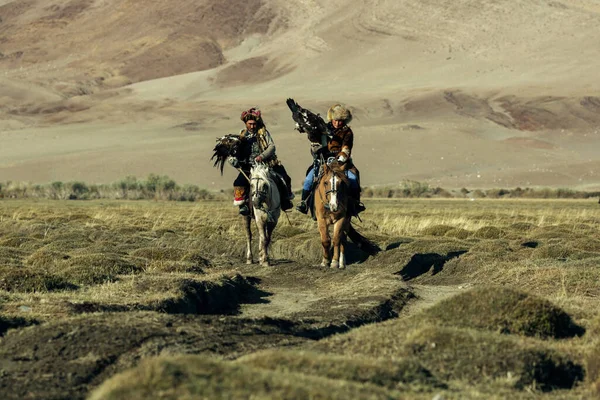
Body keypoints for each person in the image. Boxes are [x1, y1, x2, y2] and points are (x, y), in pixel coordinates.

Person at [296, 103, 365, 215]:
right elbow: (314, 138)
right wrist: (304, 129)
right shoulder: (323, 127)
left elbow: (346, 147)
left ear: (345, 120)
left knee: (353, 178)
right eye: (335, 120)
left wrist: (341, 158)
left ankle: (356, 204)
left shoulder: (347, 132)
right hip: (322, 161)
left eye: (340, 121)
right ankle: (304, 203)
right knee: (308, 180)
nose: (337, 123)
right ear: (331, 119)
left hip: (341, 162)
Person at [229, 107, 294, 216]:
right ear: (245, 123)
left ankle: (285, 200)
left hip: (266, 164)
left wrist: (262, 156)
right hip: (248, 166)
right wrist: (234, 160)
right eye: (250, 124)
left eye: (254, 124)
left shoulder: (263, 133)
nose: (252, 126)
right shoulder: (241, 135)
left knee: (284, 177)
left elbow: (271, 146)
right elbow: (236, 151)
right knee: (238, 182)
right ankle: (243, 206)